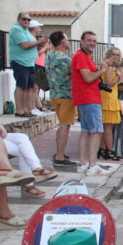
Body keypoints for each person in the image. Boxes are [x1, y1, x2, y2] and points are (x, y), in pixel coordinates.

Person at [71, 31, 111, 176]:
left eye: (94, 41)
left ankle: (83, 163)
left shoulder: (84, 56)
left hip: (86, 98)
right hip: (89, 98)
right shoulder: (81, 56)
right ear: (82, 41)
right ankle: (92, 165)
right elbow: (88, 78)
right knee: (96, 131)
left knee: (86, 131)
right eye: (89, 40)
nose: (92, 43)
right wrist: (102, 70)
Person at [45, 31, 76, 166]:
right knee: (65, 125)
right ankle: (59, 155)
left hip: (54, 95)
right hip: (66, 95)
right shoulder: (66, 59)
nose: (68, 42)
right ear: (63, 43)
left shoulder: (49, 56)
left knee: (61, 124)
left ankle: (60, 152)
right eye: (67, 40)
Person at [8, 12, 48, 117]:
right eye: (24, 19)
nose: (26, 21)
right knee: (21, 86)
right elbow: (25, 45)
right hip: (20, 62)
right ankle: (19, 110)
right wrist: (39, 43)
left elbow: (32, 46)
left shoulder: (25, 31)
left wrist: (40, 44)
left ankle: (27, 109)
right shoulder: (16, 29)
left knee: (29, 87)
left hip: (29, 63)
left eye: (28, 20)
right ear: (18, 20)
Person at [99, 47, 123, 161]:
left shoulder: (112, 68)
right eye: (114, 54)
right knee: (108, 127)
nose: (116, 57)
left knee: (108, 127)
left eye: (118, 55)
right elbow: (109, 84)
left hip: (112, 97)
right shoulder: (109, 68)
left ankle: (103, 149)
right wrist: (118, 77)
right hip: (108, 98)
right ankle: (110, 150)